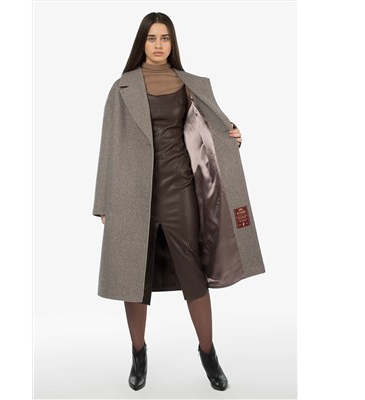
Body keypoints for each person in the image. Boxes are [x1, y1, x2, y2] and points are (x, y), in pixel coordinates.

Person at [92, 11, 265, 392]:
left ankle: (208, 353)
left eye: (165, 38)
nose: (159, 45)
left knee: (193, 272)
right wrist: (103, 201)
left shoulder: (189, 84)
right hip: (131, 193)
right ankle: (138, 353)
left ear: (173, 43)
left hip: (178, 189)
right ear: (142, 42)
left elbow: (211, 128)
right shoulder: (122, 88)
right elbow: (108, 145)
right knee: (133, 277)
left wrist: (232, 135)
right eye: (152, 38)